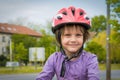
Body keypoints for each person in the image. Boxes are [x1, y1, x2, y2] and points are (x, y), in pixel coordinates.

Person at [36, 6, 100, 80]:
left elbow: (94, 77)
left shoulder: (90, 59)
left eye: (78, 35)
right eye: (67, 35)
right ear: (59, 38)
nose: (73, 40)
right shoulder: (54, 59)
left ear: (84, 38)